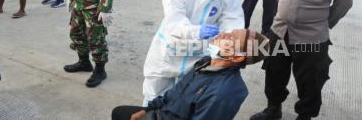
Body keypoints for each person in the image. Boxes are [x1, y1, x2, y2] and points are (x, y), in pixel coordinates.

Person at [251, 0, 353, 120]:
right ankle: (273, 108)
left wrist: (323, 23)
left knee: (310, 79)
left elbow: (344, 4)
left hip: (311, 37)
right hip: (280, 32)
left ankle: (305, 116)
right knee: (274, 72)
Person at [143, 0, 245, 103]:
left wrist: (228, 45)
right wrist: (196, 32)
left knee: (183, 100)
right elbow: (174, 22)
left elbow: (233, 23)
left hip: (197, 57)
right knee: (154, 96)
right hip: (170, 51)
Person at [113, 29, 269, 120]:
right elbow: (175, 91)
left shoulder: (225, 93)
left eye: (232, 38)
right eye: (230, 32)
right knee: (120, 112)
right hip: (164, 113)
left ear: (236, 57)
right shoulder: (206, 62)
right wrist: (148, 110)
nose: (224, 34)